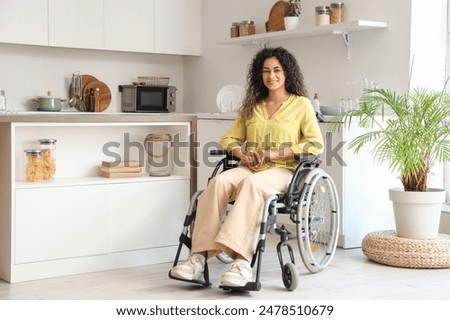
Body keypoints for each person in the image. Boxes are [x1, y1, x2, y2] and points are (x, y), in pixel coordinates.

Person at [169, 47, 324, 287]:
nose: (271, 76)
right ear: (259, 75)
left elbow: (314, 144)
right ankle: (198, 258)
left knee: (252, 185)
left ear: (287, 73)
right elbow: (228, 139)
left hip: (284, 171)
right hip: (250, 167)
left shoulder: (301, 105)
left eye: (276, 70)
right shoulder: (252, 106)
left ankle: (241, 262)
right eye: (266, 71)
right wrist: (243, 152)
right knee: (218, 182)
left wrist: (273, 152)